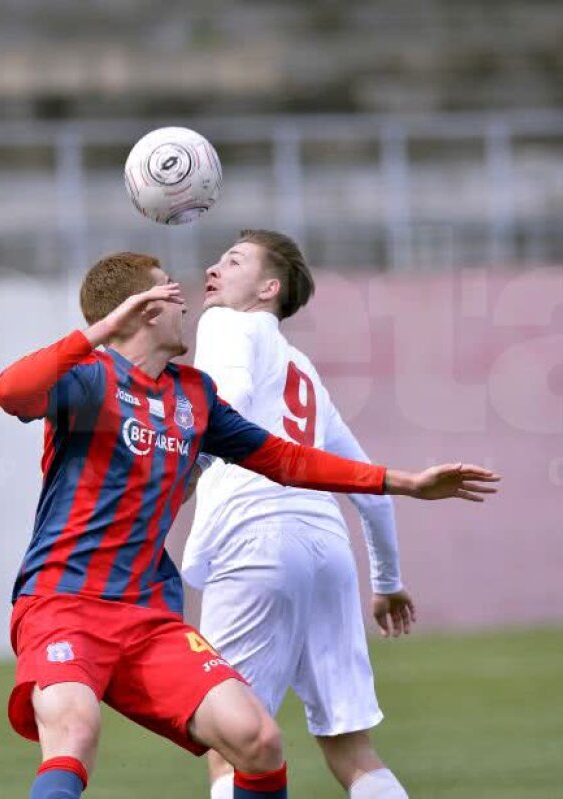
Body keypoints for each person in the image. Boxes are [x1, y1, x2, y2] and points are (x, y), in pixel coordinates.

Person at [0, 251, 499, 799]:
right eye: (167, 291)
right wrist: (102, 331)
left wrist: (406, 482)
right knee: (75, 728)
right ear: (142, 310)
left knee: (256, 739)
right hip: (64, 603)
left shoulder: (193, 396)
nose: (182, 298)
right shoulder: (89, 378)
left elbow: (288, 459)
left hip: (145, 617)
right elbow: (11, 392)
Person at [186, 230, 435, 799]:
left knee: (232, 747)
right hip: (326, 548)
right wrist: (388, 581)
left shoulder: (224, 323)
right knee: (352, 748)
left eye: (234, 260)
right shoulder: (303, 371)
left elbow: (229, 399)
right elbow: (369, 487)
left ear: (269, 288)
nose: (214, 267)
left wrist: (187, 466)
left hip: (253, 537)